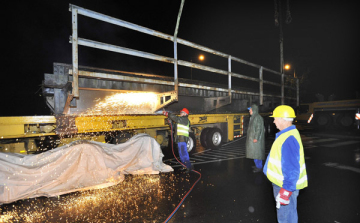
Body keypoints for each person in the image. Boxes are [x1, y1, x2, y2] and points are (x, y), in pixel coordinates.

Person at [263, 105, 308, 223]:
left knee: (286, 218)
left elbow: (292, 168)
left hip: (284, 186)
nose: (274, 121)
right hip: (283, 184)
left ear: (283, 119)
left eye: (276, 118)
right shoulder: (288, 134)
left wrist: (286, 190)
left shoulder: (289, 138)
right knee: (287, 215)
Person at [245, 104, 265, 173]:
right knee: (254, 153)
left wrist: (256, 138)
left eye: (250, 110)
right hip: (253, 139)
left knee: (257, 154)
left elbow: (258, 128)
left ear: (254, 110)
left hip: (256, 140)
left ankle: (259, 167)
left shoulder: (257, 117)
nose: (249, 111)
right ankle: (257, 165)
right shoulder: (253, 117)